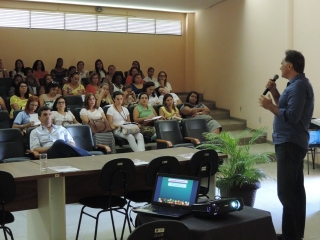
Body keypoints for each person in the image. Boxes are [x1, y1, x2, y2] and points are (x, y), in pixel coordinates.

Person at [259, 50, 314, 240]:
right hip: (290, 142)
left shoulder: (299, 86)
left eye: (282, 63)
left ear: (290, 66)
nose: (280, 67)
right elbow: (286, 107)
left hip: (290, 143)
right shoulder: (295, 86)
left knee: (286, 192)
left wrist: (269, 106)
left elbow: (292, 116)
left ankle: (291, 236)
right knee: (295, 191)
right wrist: (274, 93)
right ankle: (294, 234)